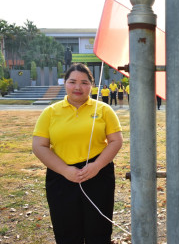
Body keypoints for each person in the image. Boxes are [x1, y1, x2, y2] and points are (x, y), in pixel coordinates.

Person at [32, 63, 123, 244]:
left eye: (84, 82)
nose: (78, 87)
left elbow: (116, 141)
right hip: (61, 177)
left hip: (98, 174)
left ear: (91, 85)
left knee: (99, 230)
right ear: (65, 83)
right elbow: (39, 146)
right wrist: (65, 170)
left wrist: (96, 166)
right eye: (72, 82)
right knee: (66, 230)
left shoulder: (104, 110)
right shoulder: (50, 112)